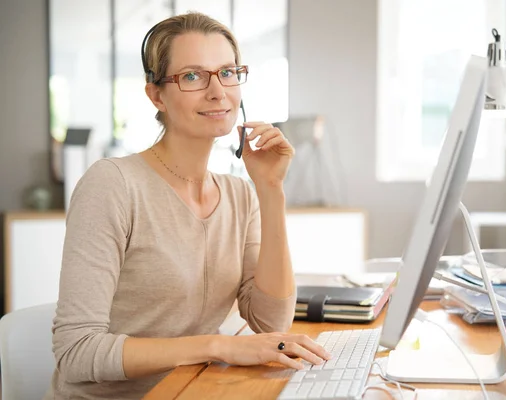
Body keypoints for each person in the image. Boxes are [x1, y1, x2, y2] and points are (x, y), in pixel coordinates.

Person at [44, 11, 330, 400]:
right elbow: (76, 351)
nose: (218, 92)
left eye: (227, 72)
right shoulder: (113, 184)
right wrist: (216, 345)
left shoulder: (239, 194)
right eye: (192, 76)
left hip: (194, 390)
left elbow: (270, 323)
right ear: (156, 94)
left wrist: (270, 189)